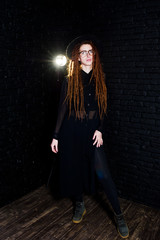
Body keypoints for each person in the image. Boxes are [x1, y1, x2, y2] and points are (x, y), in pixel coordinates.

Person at [51, 35, 129, 239]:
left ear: (94, 55)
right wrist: (56, 136)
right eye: (83, 52)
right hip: (71, 131)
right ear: (77, 57)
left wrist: (100, 129)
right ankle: (79, 204)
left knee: (104, 175)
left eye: (90, 51)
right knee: (75, 170)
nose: (87, 55)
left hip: (92, 132)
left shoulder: (100, 79)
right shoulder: (70, 80)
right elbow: (62, 109)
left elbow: (104, 109)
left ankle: (119, 216)